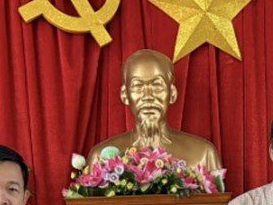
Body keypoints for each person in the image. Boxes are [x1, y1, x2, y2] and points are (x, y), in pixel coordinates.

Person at [88, 48, 222, 170]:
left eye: (157, 85)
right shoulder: (101, 158)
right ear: (125, 95)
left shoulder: (203, 154)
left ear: (172, 93)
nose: (148, 96)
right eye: (138, 86)